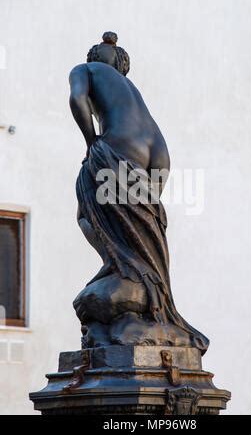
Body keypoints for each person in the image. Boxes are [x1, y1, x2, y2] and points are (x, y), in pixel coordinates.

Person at [69, 32, 209, 353]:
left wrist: (92, 141)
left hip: (115, 148)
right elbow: (159, 156)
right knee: (139, 228)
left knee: (86, 211)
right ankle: (134, 273)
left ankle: (119, 265)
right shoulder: (133, 92)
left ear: (95, 57)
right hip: (153, 156)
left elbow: (77, 100)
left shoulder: (86, 70)